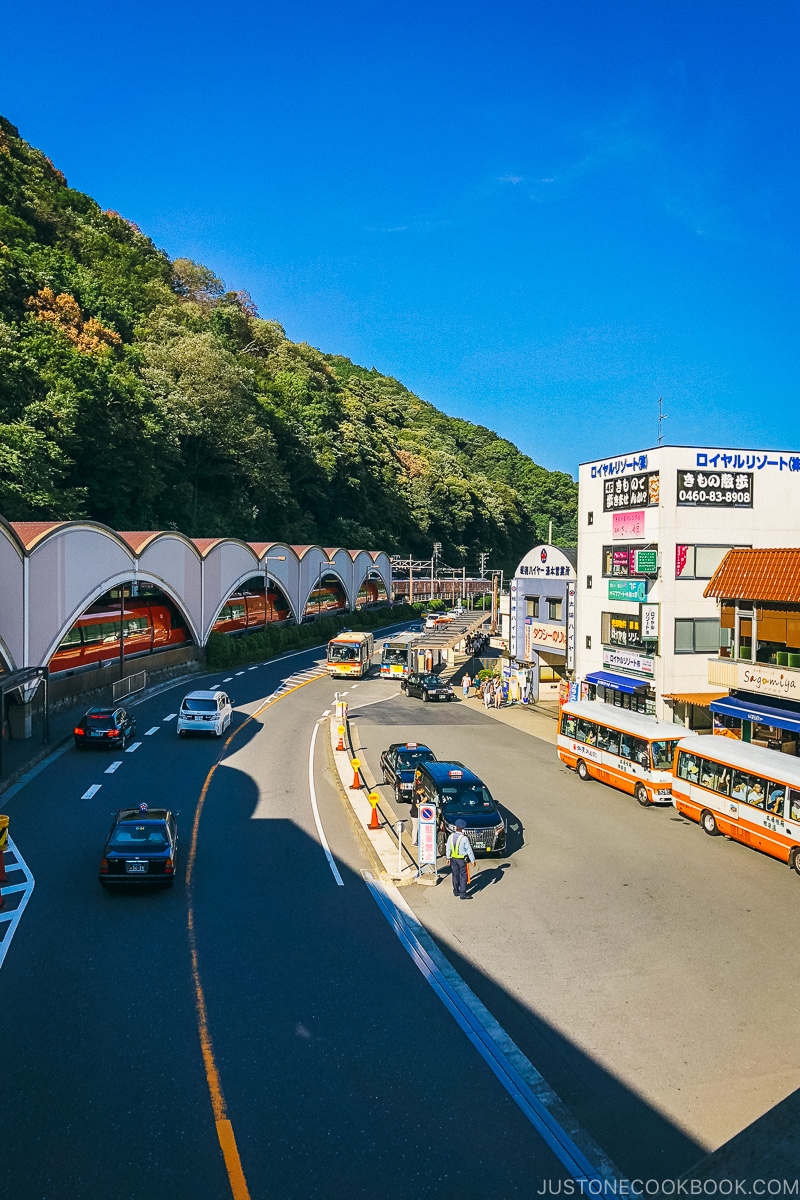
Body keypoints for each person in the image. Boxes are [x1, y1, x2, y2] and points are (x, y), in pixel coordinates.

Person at [446, 819, 475, 899]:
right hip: (461, 860)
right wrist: (472, 860)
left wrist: (448, 858)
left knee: (455, 875)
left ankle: (456, 891)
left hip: (453, 859)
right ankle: (463, 894)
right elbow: (469, 850)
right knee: (463, 876)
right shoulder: (464, 838)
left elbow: (448, 848)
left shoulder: (450, 837)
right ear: (463, 829)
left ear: (456, 827)